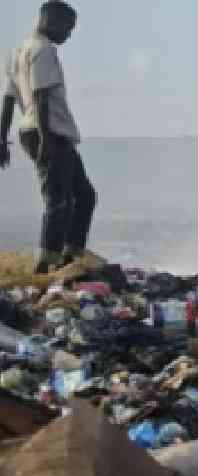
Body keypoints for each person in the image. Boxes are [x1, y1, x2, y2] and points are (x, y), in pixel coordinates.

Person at [1, 1, 96, 274]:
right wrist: (45, 139)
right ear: (51, 20)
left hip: (37, 131)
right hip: (49, 132)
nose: (69, 34)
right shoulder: (43, 50)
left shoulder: (18, 51)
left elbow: (8, 102)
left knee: (84, 196)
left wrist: (1, 140)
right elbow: (42, 96)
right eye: (68, 27)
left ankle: (69, 255)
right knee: (59, 201)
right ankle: (46, 265)